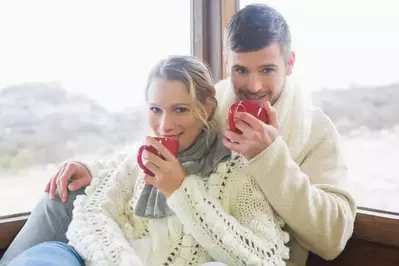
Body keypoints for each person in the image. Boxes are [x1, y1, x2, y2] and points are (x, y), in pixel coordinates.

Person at [1, 4, 356, 266]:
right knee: (62, 192)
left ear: (290, 63)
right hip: (149, 239)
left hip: (233, 247)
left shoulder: (316, 130)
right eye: (240, 70)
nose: (253, 85)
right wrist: (92, 168)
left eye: (267, 69)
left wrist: (270, 158)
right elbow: (165, 140)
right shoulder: (211, 104)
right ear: (227, 64)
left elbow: (332, 238)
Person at [5, 56, 290, 266]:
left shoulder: (236, 170)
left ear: (207, 107)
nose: (164, 125)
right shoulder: (140, 161)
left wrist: (181, 191)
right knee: (49, 254)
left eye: (180, 109)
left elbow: (267, 258)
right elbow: (91, 216)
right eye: (156, 109)